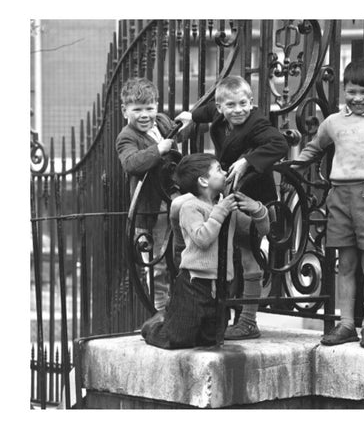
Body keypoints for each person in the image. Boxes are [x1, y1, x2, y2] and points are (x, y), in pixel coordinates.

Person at [294, 58, 364, 349]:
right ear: (344, 91)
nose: (358, 98)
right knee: (344, 263)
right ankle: (346, 324)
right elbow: (313, 148)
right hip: (339, 196)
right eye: (352, 91)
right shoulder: (333, 122)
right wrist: (293, 166)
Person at [175, 76, 288, 340]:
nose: (238, 110)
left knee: (249, 256)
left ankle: (248, 321)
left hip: (255, 197)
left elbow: (280, 144)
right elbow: (204, 112)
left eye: (243, 104)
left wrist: (248, 160)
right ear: (220, 106)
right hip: (229, 194)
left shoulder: (256, 122)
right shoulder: (218, 112)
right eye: (231, 105)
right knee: (227, 254)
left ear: (251, 102)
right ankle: (218, 311)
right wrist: (191, 116)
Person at [140, 153, 270, 349]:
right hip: (194, 284)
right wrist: (221, 211)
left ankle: (172, 320)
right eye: (218, 170)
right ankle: (154, 326)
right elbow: (202, 238)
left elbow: (261, 232)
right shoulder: (190, 207)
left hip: (220, 287)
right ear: (202, 180)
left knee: (210, 338)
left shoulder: (226, 208)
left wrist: (256, 209)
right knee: (177, 339)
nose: (225, 173)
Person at [116, 77, 179, 314]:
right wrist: (158, 149)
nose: (145, 115)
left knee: (176, 255)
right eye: (137, 109)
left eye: (149, 108)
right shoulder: (127, 137)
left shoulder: (161, 122)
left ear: (157, 107)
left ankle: (177, 307)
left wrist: (188, 122)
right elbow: (131, 163)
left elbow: (177, 135)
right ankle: (160, 312)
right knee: (156, 263)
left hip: (172, 201)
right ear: (125, 111)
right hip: (149, 210)